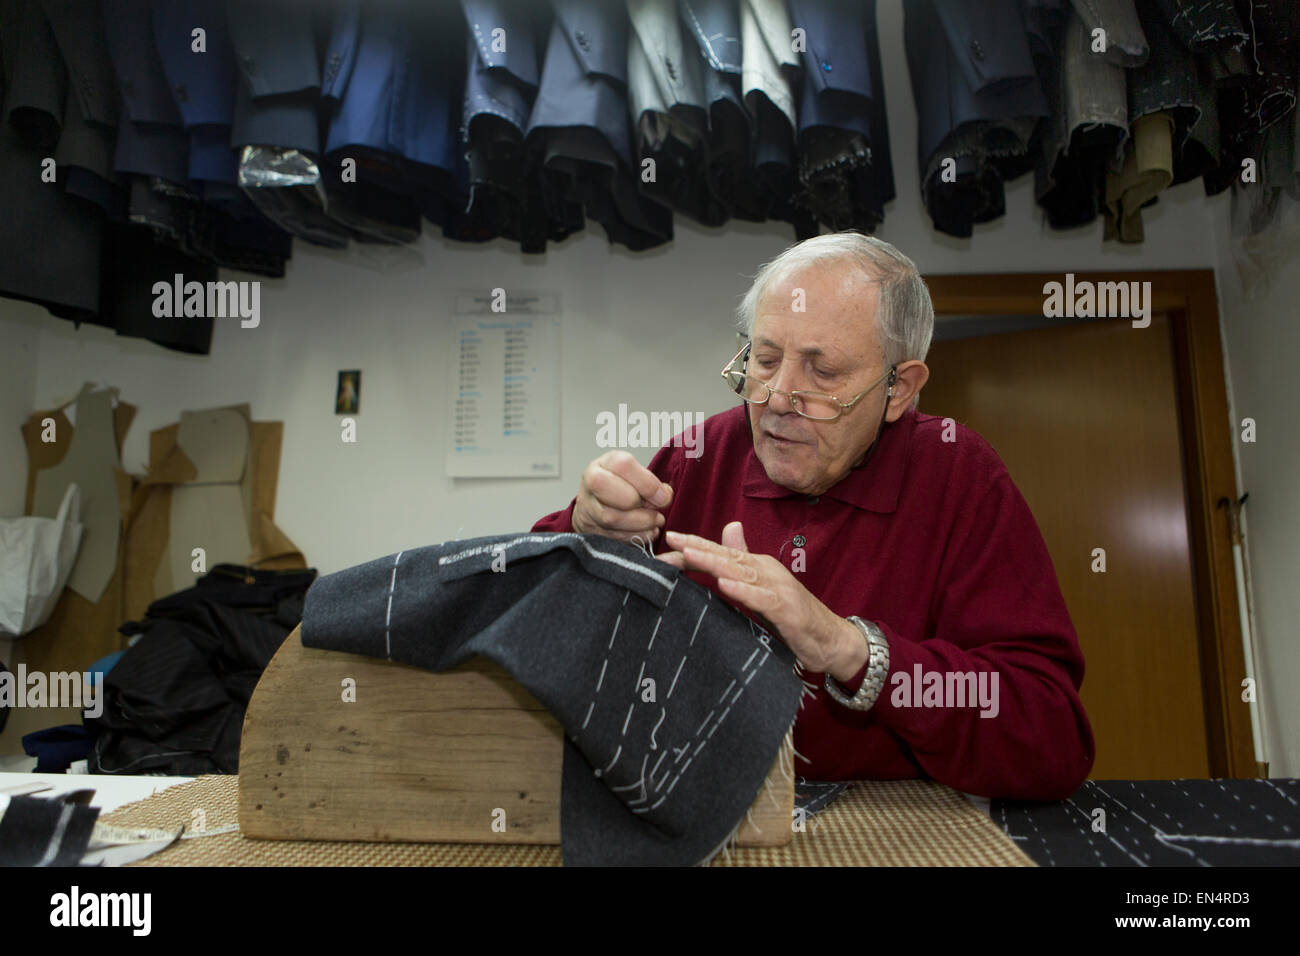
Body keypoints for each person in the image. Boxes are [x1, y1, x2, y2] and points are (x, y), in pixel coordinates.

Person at [533, 232, 1094, 799]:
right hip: (696, 813)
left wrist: (850, 650)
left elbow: (1051, 737)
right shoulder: (698, 457)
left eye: (821, 373)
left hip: (896, 830)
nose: (777, 397)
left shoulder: (959, 476)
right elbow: (521, 615)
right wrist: (582, 529)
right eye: (765, 359)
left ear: (899, 388)